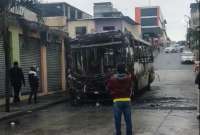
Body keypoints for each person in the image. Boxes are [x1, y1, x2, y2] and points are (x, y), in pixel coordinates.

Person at [107, 64, 133, 135]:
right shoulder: (128, 78)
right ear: (124, 69)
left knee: (117, 120)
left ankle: (118, 133)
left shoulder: (112, 79)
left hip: (117, 101)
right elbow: (131, 88)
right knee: (128, 120)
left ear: (117, 70)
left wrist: (113, 94)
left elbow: (108, 88)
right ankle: (129, 133)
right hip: (127, 100)